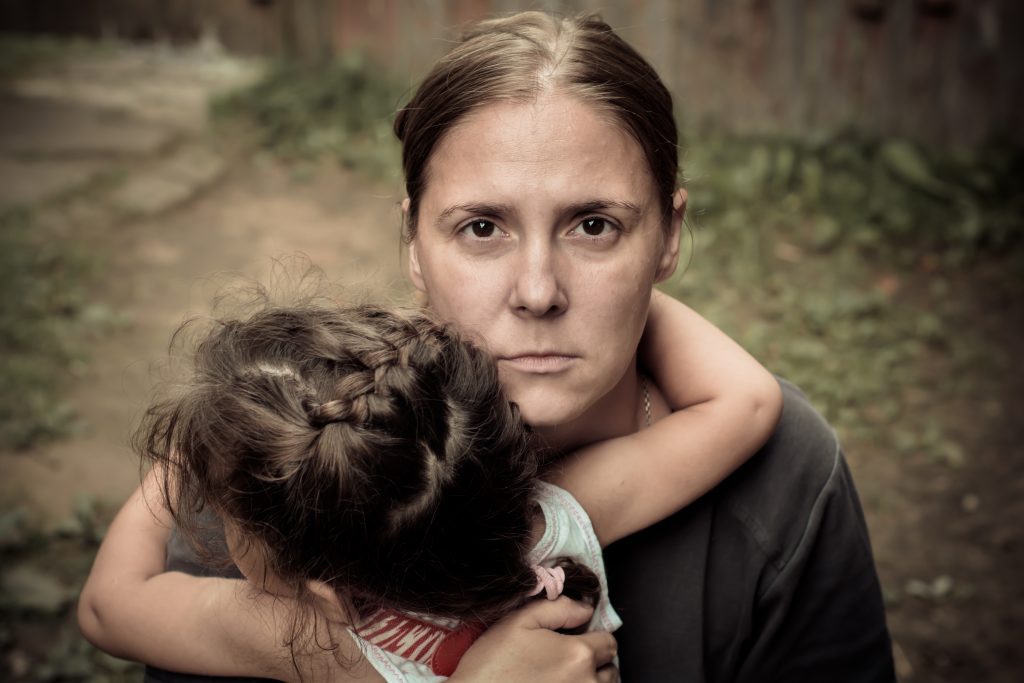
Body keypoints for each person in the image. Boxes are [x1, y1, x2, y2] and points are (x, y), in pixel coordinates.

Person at [116, 9, 894, 682]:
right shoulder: (299, 452)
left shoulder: (784, 473)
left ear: (669, 237)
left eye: (595, 226)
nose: (537, 290)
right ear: (414, 247)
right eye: (481, 228)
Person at [79, 292, 782, 681]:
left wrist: (176, 462)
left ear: (320, 585)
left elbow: (111, 606)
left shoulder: (310, 637)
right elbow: (743, 402)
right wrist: (616, 288)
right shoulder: (560, 514)